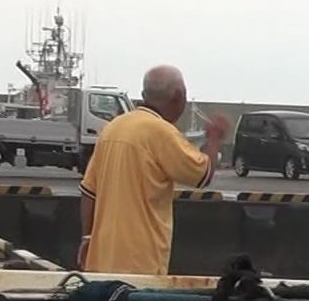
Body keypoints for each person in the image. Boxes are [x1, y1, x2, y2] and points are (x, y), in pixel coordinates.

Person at [79, 65, 230, 275]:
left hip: (101, 258)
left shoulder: (112, 128)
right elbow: (202, 174)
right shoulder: (161, 132)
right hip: (140, 261)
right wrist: (214, 138)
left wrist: (87, 238)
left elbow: (88, 191)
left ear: (143, 95)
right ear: (179, 96)